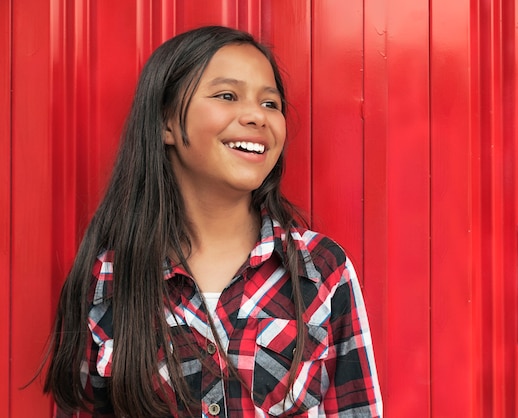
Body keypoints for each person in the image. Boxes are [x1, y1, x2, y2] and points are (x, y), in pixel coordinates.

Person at [42, 25, 382, 417]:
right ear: (166, 123)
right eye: (227, 96)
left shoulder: (320, 270)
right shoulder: (107, 279)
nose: (257, 115)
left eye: (270, 104)